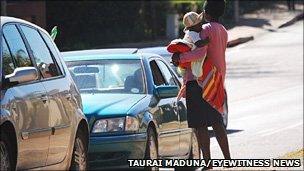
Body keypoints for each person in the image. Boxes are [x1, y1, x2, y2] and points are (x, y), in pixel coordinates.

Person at [172, 0, 231, 169]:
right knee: (217, 122)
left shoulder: (204, 30)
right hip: (217, 80)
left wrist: (179, 58)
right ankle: (228, 160)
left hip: (198, 82)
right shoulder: (223, 30)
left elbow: (198, 52)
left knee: (200, 125)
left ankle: (208, 163)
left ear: (206, 12)